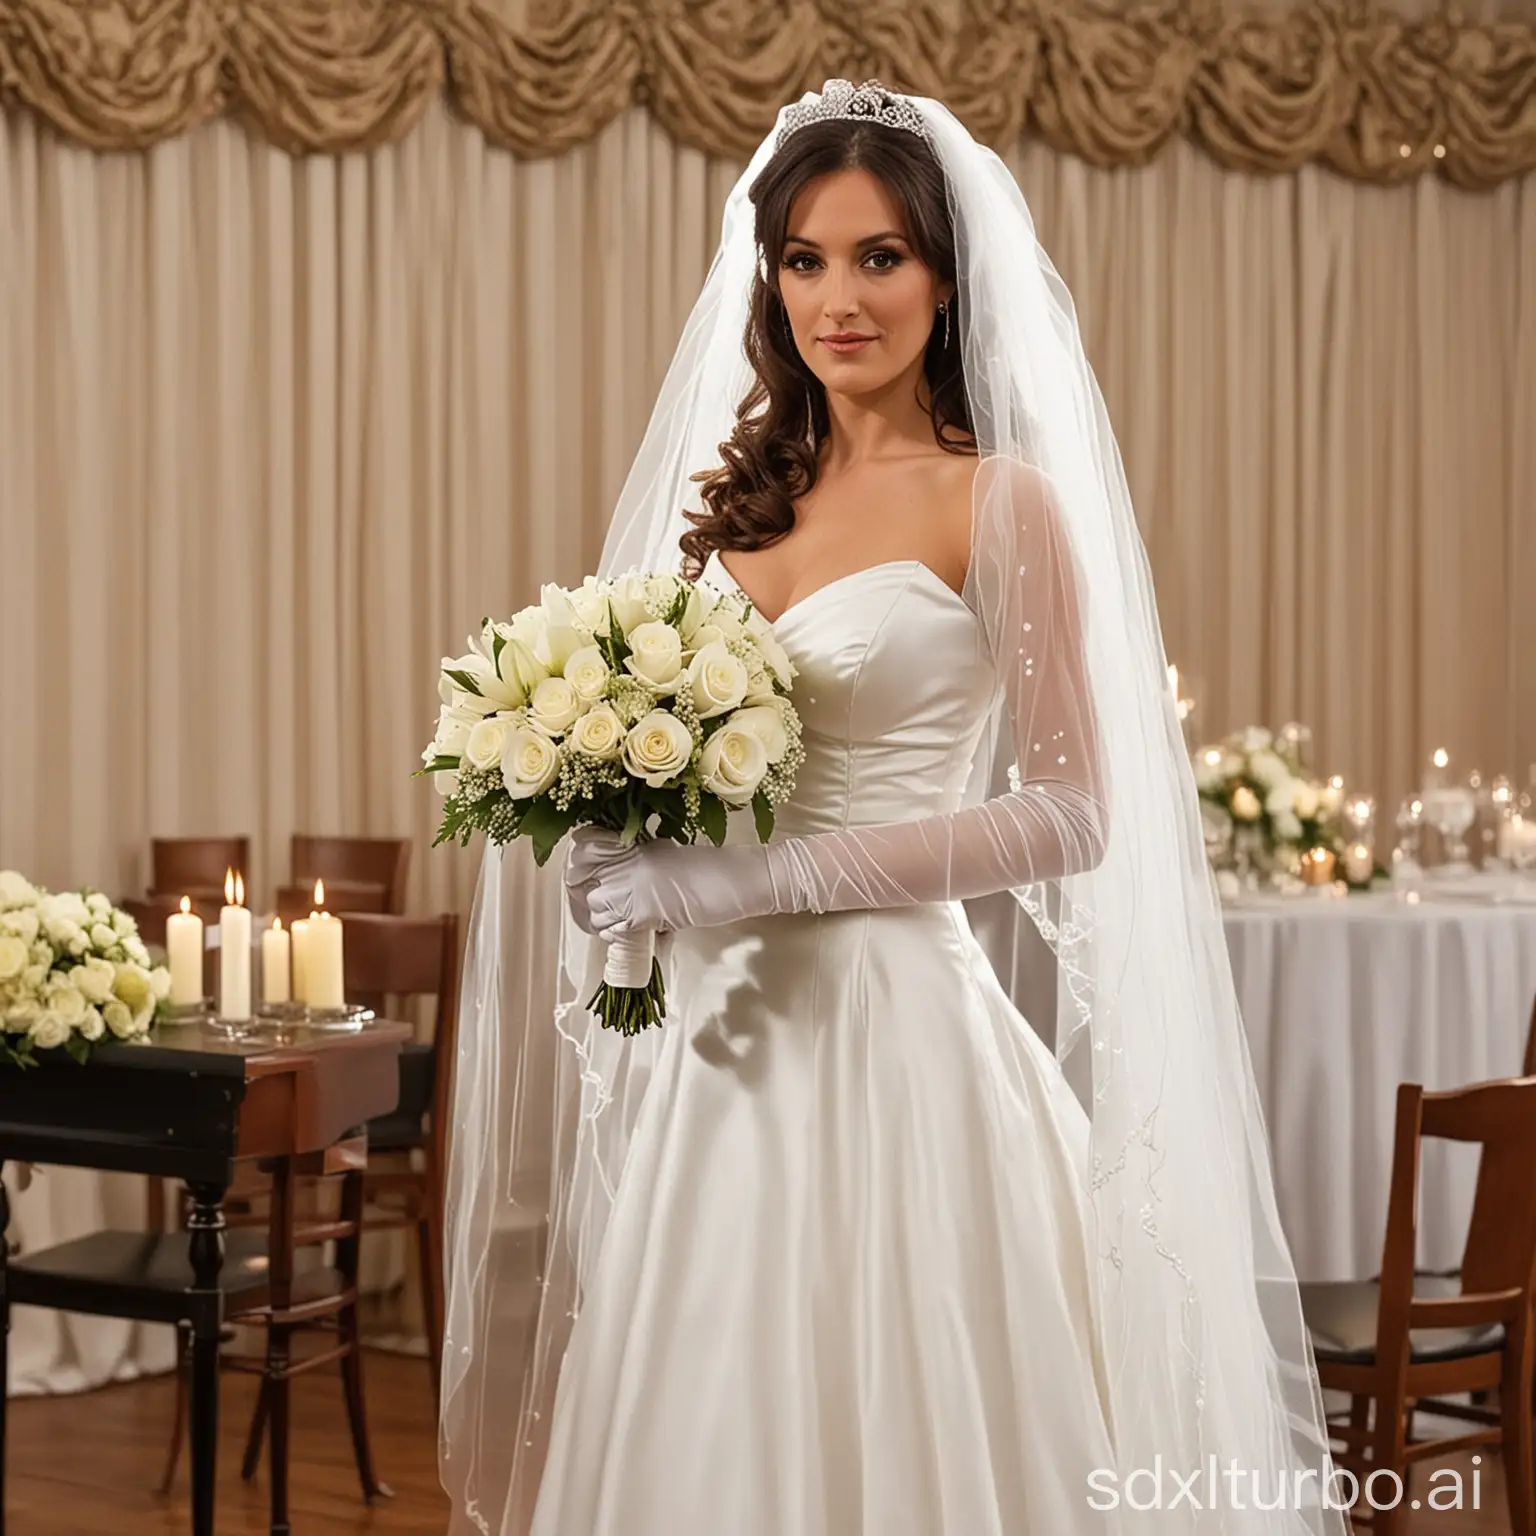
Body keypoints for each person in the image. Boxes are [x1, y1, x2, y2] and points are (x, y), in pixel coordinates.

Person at [441, 80, 1345, 1536]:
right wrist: (619, 842)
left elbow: (1066, 816)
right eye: (804, 258)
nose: (837, 297)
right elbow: (695, 761)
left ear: (945, 274)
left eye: (879, 257)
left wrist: (754, 887)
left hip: (891, 1031)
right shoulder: (739, 508)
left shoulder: (1001, 503)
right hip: (718, 1048)